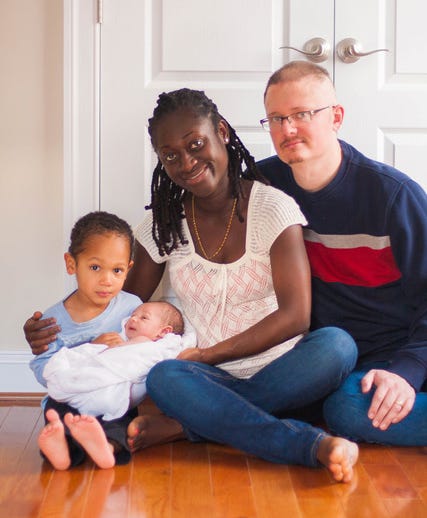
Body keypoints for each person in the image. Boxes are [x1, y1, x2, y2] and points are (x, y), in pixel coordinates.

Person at [25, 88, 359, 482]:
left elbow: (296, 316)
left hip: (281, 367)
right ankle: (308, 444)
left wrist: (207, 355)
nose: (186, 163)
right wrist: (55, 329)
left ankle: (188, 427)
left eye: (196, 144)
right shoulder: (163, 226)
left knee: (337, 346)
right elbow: (114, 306)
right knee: (164, 377)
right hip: (198, 378)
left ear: (222, 132)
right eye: (171, 155)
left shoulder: (273, 208)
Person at [257, 60, 427, 445]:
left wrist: (406, 371)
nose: (288, 129)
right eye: (276, 118)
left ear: (336, 117)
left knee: (345, 409)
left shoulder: (394, 196)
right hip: (323, 355)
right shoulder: (264, 185)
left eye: (302, 114)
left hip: (394, 353)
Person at [32, 211, 143, 470]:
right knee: (57, 411)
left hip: (111, 392)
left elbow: (141, 347)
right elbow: (43, 369)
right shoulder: (52, 320)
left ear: (128, 270)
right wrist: (91, 348)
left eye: (117, 270)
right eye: (95, 267)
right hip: (71, 396)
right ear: (72, 264)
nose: (106, 280)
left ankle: (107, 447)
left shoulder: (131, 307)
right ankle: (61, 451)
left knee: (121, 415)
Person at [39, 301, 185, 470]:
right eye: (133, 316)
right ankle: (68, 450)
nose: (134, 320)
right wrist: (97, 347)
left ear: (164, 332)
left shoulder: (157, 346)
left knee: (118, 420)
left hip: (115, 391)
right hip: (89, 390)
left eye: (144, 318)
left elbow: (162, 358)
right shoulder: (118, 338)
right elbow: (91, 355)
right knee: (57, 406)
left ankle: (103, 448)